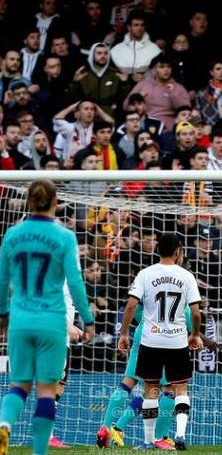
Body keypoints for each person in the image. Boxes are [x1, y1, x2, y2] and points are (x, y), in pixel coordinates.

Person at [0, 179, 96, 455]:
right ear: (55, 202)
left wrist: (3, 315)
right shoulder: (64, 237)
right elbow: (76, 283)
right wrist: (87, 320)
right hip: (53, 321)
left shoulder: (12, 235)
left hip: (20, 320)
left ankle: (4, 424)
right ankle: (39, 452)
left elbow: (2, 279)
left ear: (29, 201)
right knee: (46, 390)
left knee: (18, 385)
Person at [117, 234, 203, 451]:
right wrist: (196, 335)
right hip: (176, 342)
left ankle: (148, 441)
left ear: (158, 251)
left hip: (151, 340)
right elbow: (196, 312)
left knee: (150, 390)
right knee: (180, 390)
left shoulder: (145, 274)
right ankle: (180, 436)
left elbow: (130, 306)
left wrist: (124, 333)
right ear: (178, 252)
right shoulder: (186, 276)